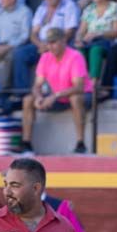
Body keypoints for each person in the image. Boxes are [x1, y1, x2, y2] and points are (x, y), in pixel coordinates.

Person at [19, 27, 92, 155]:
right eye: (48, 43)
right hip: (58, 96)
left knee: (75, 98)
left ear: (63, 41)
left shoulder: (75, 56)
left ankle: (81, 144)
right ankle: (26, 144)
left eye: (54, 42)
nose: (50, 46)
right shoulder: (45, 57)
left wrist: (54, 96)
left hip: (82, 95)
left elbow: (79, 87)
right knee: (28, 100)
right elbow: (37, 85)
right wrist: (39, 97)